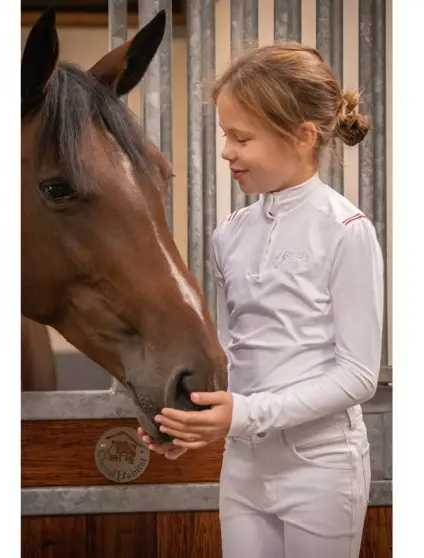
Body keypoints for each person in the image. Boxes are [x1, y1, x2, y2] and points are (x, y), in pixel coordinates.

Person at [138, 43, 384, 558]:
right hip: (243, 464)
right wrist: (193, 424)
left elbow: (359, 376)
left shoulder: (346, 231)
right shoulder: (228, 233)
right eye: (226, 135)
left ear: (302, 136)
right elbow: (231, 353)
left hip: (321, 468)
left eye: (241, 137)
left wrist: (244, 415)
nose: (226, 151)